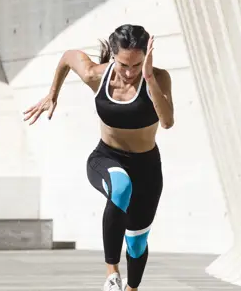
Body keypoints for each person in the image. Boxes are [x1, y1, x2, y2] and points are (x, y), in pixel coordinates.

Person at [22, 24, 174, 291]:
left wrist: (148, 78)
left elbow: (167, 121)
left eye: (136, 65)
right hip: (106, 158)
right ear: (113, 56)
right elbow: (68, 56)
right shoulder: (96, 75)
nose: (129, 73)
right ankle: (111, 274)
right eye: (123, 65)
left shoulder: (158, 78)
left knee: (137, 244)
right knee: (121, 187)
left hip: (147, 168)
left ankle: (131, 288)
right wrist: (52, 93)